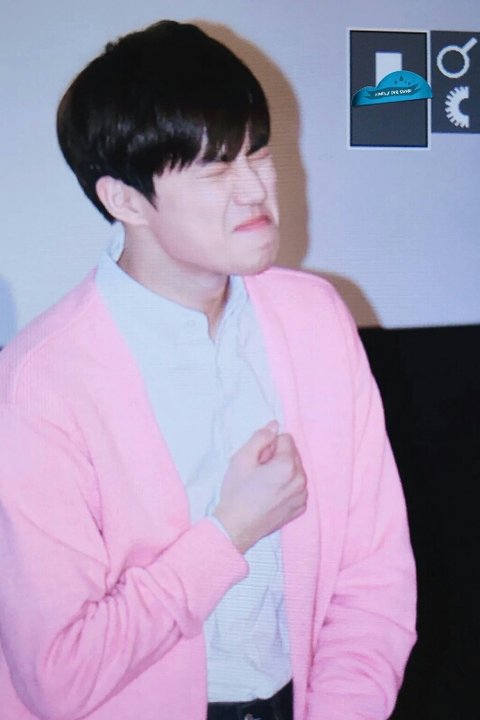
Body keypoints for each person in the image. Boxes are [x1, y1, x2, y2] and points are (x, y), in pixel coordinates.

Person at [0, 19, 416, 720]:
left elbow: (373, 578)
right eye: (216, 170)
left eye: (258, 153)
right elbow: (59, 676)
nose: (254, 189)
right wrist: (228, 533)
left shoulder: (315, 318)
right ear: (124, 200)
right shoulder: (40, 383)